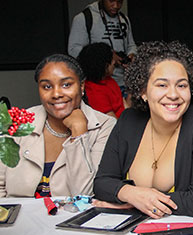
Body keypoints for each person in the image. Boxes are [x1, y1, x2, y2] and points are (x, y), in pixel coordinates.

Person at [93, 41, 193, 220]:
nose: (173, 95)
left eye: (181, 85)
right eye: (162, 85)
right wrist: (132, 194)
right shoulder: (128, 121)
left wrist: (128, 206)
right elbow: (102, 183)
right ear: (143, 91)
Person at [0, 54, 116, 198]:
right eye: (47, 86)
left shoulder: (105, 127)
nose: (56, 94)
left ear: (81, 86)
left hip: (72, 219)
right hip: (18, 218)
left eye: (66, 85)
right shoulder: (19, 122)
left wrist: (79, 133)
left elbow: (85, 195)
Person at [68, 0, 137, 101]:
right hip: (97, 85)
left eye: (120, 2)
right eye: (111, 1)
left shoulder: (123, 19)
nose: (116, 6)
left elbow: (131, 44)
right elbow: (73, 49)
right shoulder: (84, 18)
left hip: (123, 83)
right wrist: (106, 56)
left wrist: (132, 54)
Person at [78, 42, 125, 118]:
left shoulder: (110, 80)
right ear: (104, 66)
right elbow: (111, 121)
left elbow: (124, 104)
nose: (114, 62)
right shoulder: (94, 91)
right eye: (111, 60)